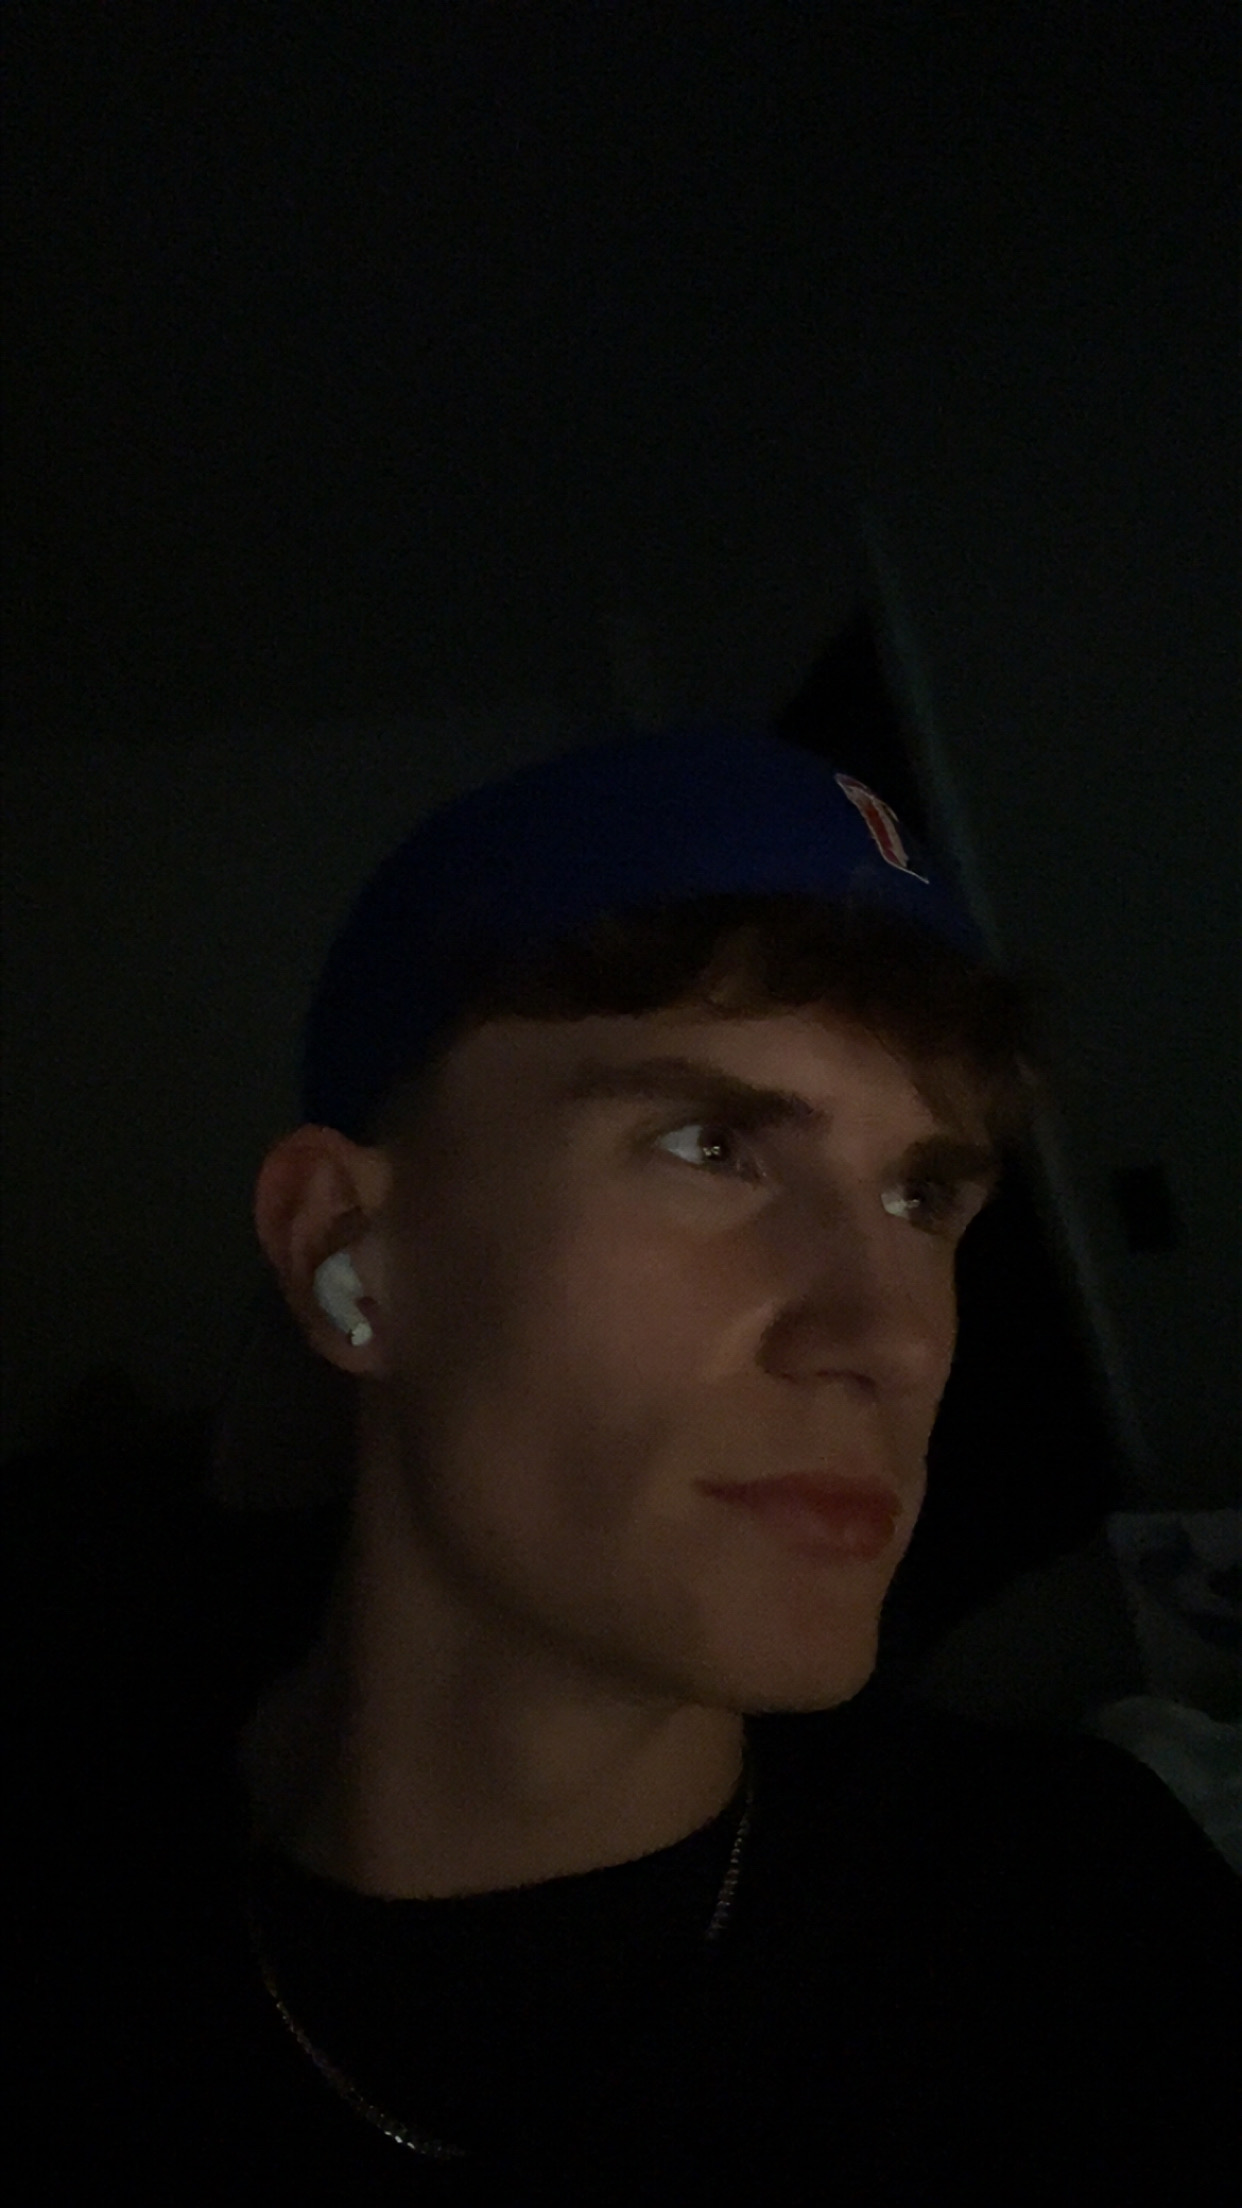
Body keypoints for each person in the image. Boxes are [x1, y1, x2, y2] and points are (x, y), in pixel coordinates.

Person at [8, 719, 1239, 2199]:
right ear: (347, 1248)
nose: (895, 1337)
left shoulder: (1074, 1924)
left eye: (921, 1198)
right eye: (712, 1146)